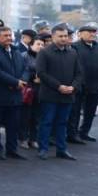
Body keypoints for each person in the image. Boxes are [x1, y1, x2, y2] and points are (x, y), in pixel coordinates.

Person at [35, 23, 82, 161]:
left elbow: (79, 73)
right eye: (60, 36)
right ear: (53, 36)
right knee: (47, 122)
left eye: (65, 36)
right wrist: (59, 86)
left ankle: (62, 149)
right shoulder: (44, 52)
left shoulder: (72, 53)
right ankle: (43, 149)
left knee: (63, 123)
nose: (64, 38)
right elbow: (41, 73)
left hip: (68, 94)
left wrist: (73, 87)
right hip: (50, 94)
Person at [0, 26, 30, 160]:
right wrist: (15, 82)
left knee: (13, 125)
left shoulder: (16, 51)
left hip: (15, 96)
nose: (9, 38)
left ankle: (12, 149)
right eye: (5, 35)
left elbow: (26, 68)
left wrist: (22, 81)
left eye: (10, 35)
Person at [68, 24, 98, 144]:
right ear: (80, 34)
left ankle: (84, 132)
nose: (92, 34)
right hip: (79, 85)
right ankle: (72, 134)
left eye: (94, 32)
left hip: (96, 84)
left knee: (90, 111)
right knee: (75, 111)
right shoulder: (74, 47)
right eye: (89, 32)